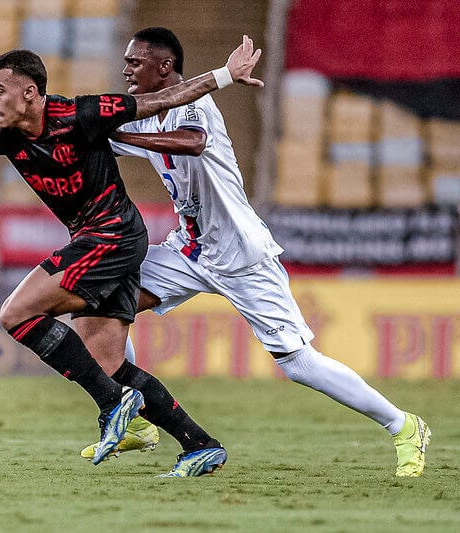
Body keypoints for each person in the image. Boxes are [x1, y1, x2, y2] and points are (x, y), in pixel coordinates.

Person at [79, 27, 430, 477]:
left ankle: (404, 426)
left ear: (164, 67)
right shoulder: (144, 112)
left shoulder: (192, 103)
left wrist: (129, 140)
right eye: (125, 60)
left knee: (299, 363)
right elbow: (89, 140)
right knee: (104, 305)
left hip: (242, 255)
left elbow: (194, 142)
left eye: (135, 61)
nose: (125, 68)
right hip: (188, 250)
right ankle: (138, 423)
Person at [0, 36, 264, 475]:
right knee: (108, 364)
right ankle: (200, 445)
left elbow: (162, 100)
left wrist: (225, 76)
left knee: (15, 314)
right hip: (96, 240)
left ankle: (114, 406)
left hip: (112, 235)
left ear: (30, 93)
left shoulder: (82, 114)